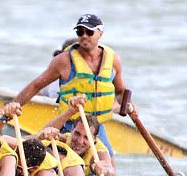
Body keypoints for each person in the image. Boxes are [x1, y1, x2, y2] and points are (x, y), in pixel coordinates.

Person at [12, 14, 135, 157]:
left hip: (96, 128)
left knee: (108, 166)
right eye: (79, 32)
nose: (84, 36)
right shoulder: (63, 61)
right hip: (69, 126)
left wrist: (128, 106)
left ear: (100, 33)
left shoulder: (113, 60)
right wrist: (9, 110)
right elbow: (35, 86)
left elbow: (120, 91)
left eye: (89, 32)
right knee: (65, 164)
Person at [42, 95, 115, 176]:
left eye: (86, 137)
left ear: (95, 139)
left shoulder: (99, 152)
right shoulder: (65, 139)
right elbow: (41, 136)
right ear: (71, 131)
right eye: (77, 134)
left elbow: (111, 172)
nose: (79, 141)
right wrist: (69, 112)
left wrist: (104, 170)